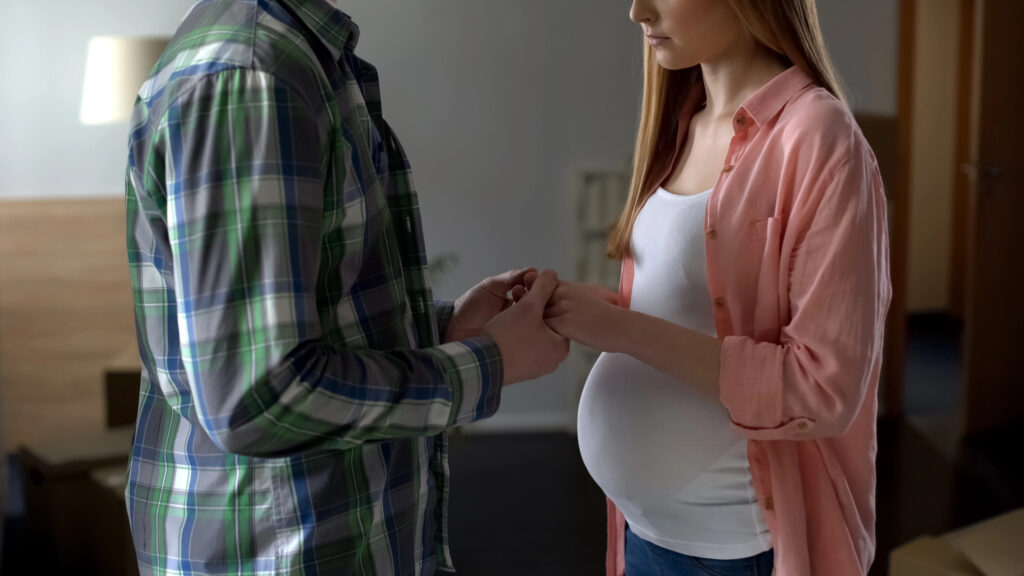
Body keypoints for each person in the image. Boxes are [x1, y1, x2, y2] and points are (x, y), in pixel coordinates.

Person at [123, 0, 568, 574]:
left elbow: (308, 317)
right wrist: (489, 364)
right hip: (281, 550)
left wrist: (441, 330)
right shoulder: (253, 76)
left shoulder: (297, 57)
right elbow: (255, 398)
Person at [543, 0, 892, 574]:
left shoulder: (819, 136)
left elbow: (823, 387)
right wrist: (586, 310)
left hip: (728, 552)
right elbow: (693, 312)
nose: (637, 12)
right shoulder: (684, 124)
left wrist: (623, 331)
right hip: (640, 534)